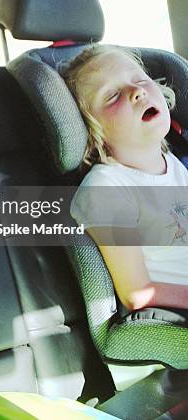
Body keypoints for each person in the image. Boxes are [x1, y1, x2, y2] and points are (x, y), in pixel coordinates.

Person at [62, 44, 188, 316]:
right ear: (92, 131)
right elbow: (136, 292)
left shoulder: (175, 165)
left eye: (140, 80)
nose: (137, 91)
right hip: (171, 319)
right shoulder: (106, 189)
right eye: (112, 95)